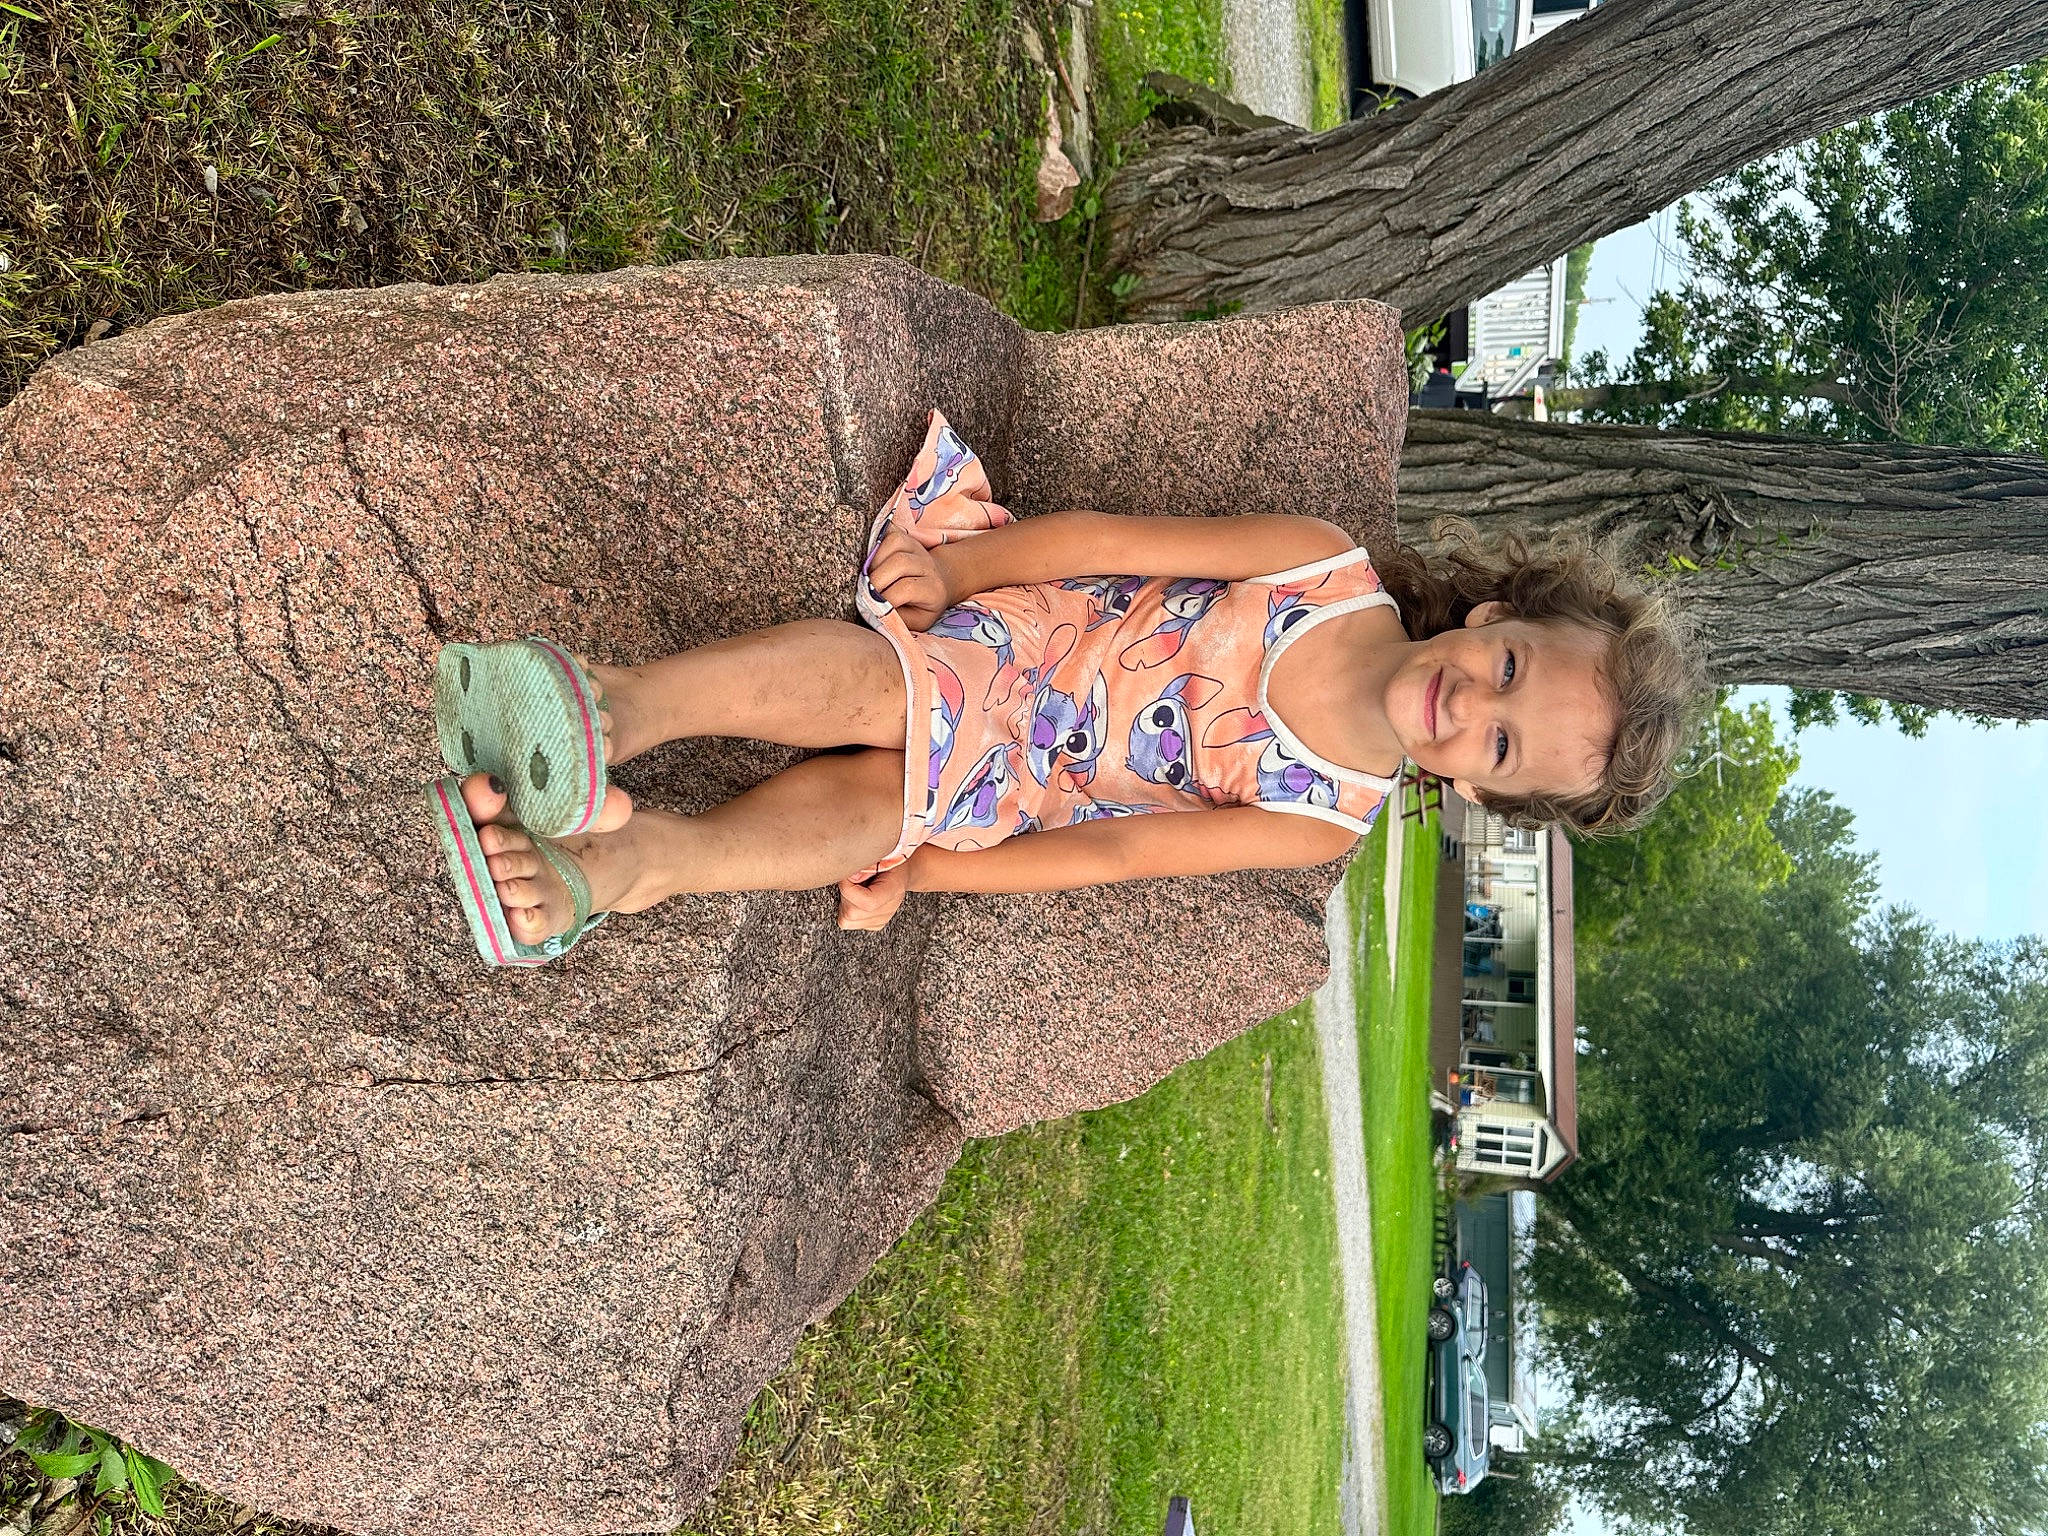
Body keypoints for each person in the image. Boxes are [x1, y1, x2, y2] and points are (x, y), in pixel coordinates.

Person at [423, 413, 1705, 967]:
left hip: (1023, 783)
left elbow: (1116, 855)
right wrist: (962, 563)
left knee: (886, 815)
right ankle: (619, 710)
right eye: (1508, 670)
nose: (1468, 705)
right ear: (1493, 616)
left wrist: (929, 875)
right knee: (898, 690)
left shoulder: (1326, 815)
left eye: (1496, 744)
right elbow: (1108, 538)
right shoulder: (1323, 568)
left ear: (1471, 786)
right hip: (1015, 639)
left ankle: (644, 859)